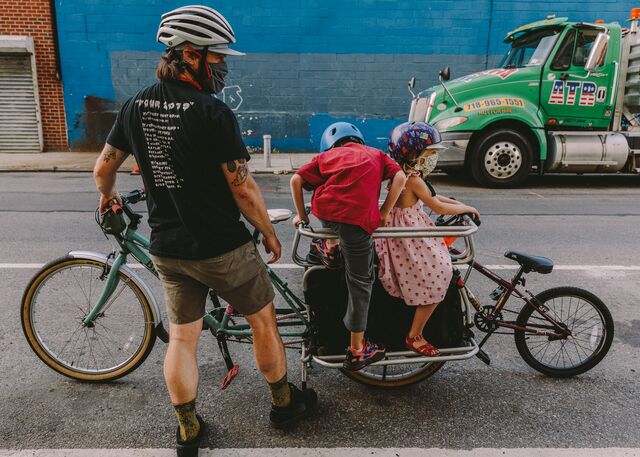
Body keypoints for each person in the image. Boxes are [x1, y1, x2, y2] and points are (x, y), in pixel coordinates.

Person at [93, 5, 316, 456]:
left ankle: (189, 429)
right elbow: (244, 190)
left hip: (168, 249)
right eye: (218, 58)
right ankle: (284, 404)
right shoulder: (212, 112)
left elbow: (103, 167)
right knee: (262, 322)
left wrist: (107, 196)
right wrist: (269, 235)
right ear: (191, 55)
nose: (224, 68)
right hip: (223, 248)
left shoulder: (134, 105)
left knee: (181, 338)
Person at [290, 122, 407, 371]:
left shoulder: (326, 156)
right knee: (360, 283)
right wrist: (384, 212)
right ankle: (357, 350)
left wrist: (302, 216)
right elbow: (400, 176)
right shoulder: (376, 154)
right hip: (357, 221)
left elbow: (296, 180)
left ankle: (330, 248)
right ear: (359, 140)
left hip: (328, 214)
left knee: (325, 199)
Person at [375, 121, 481, 356]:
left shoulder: (406, 176)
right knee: (440, 274)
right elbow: (437, 206)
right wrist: (467, 209)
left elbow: (433, 195)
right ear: (414, 154)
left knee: (442, 265)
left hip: (411, 234)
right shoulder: (411, 180)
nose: (433, 158)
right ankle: (415, 335)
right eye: (430, 153)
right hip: (410, 240)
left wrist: (461, 205)